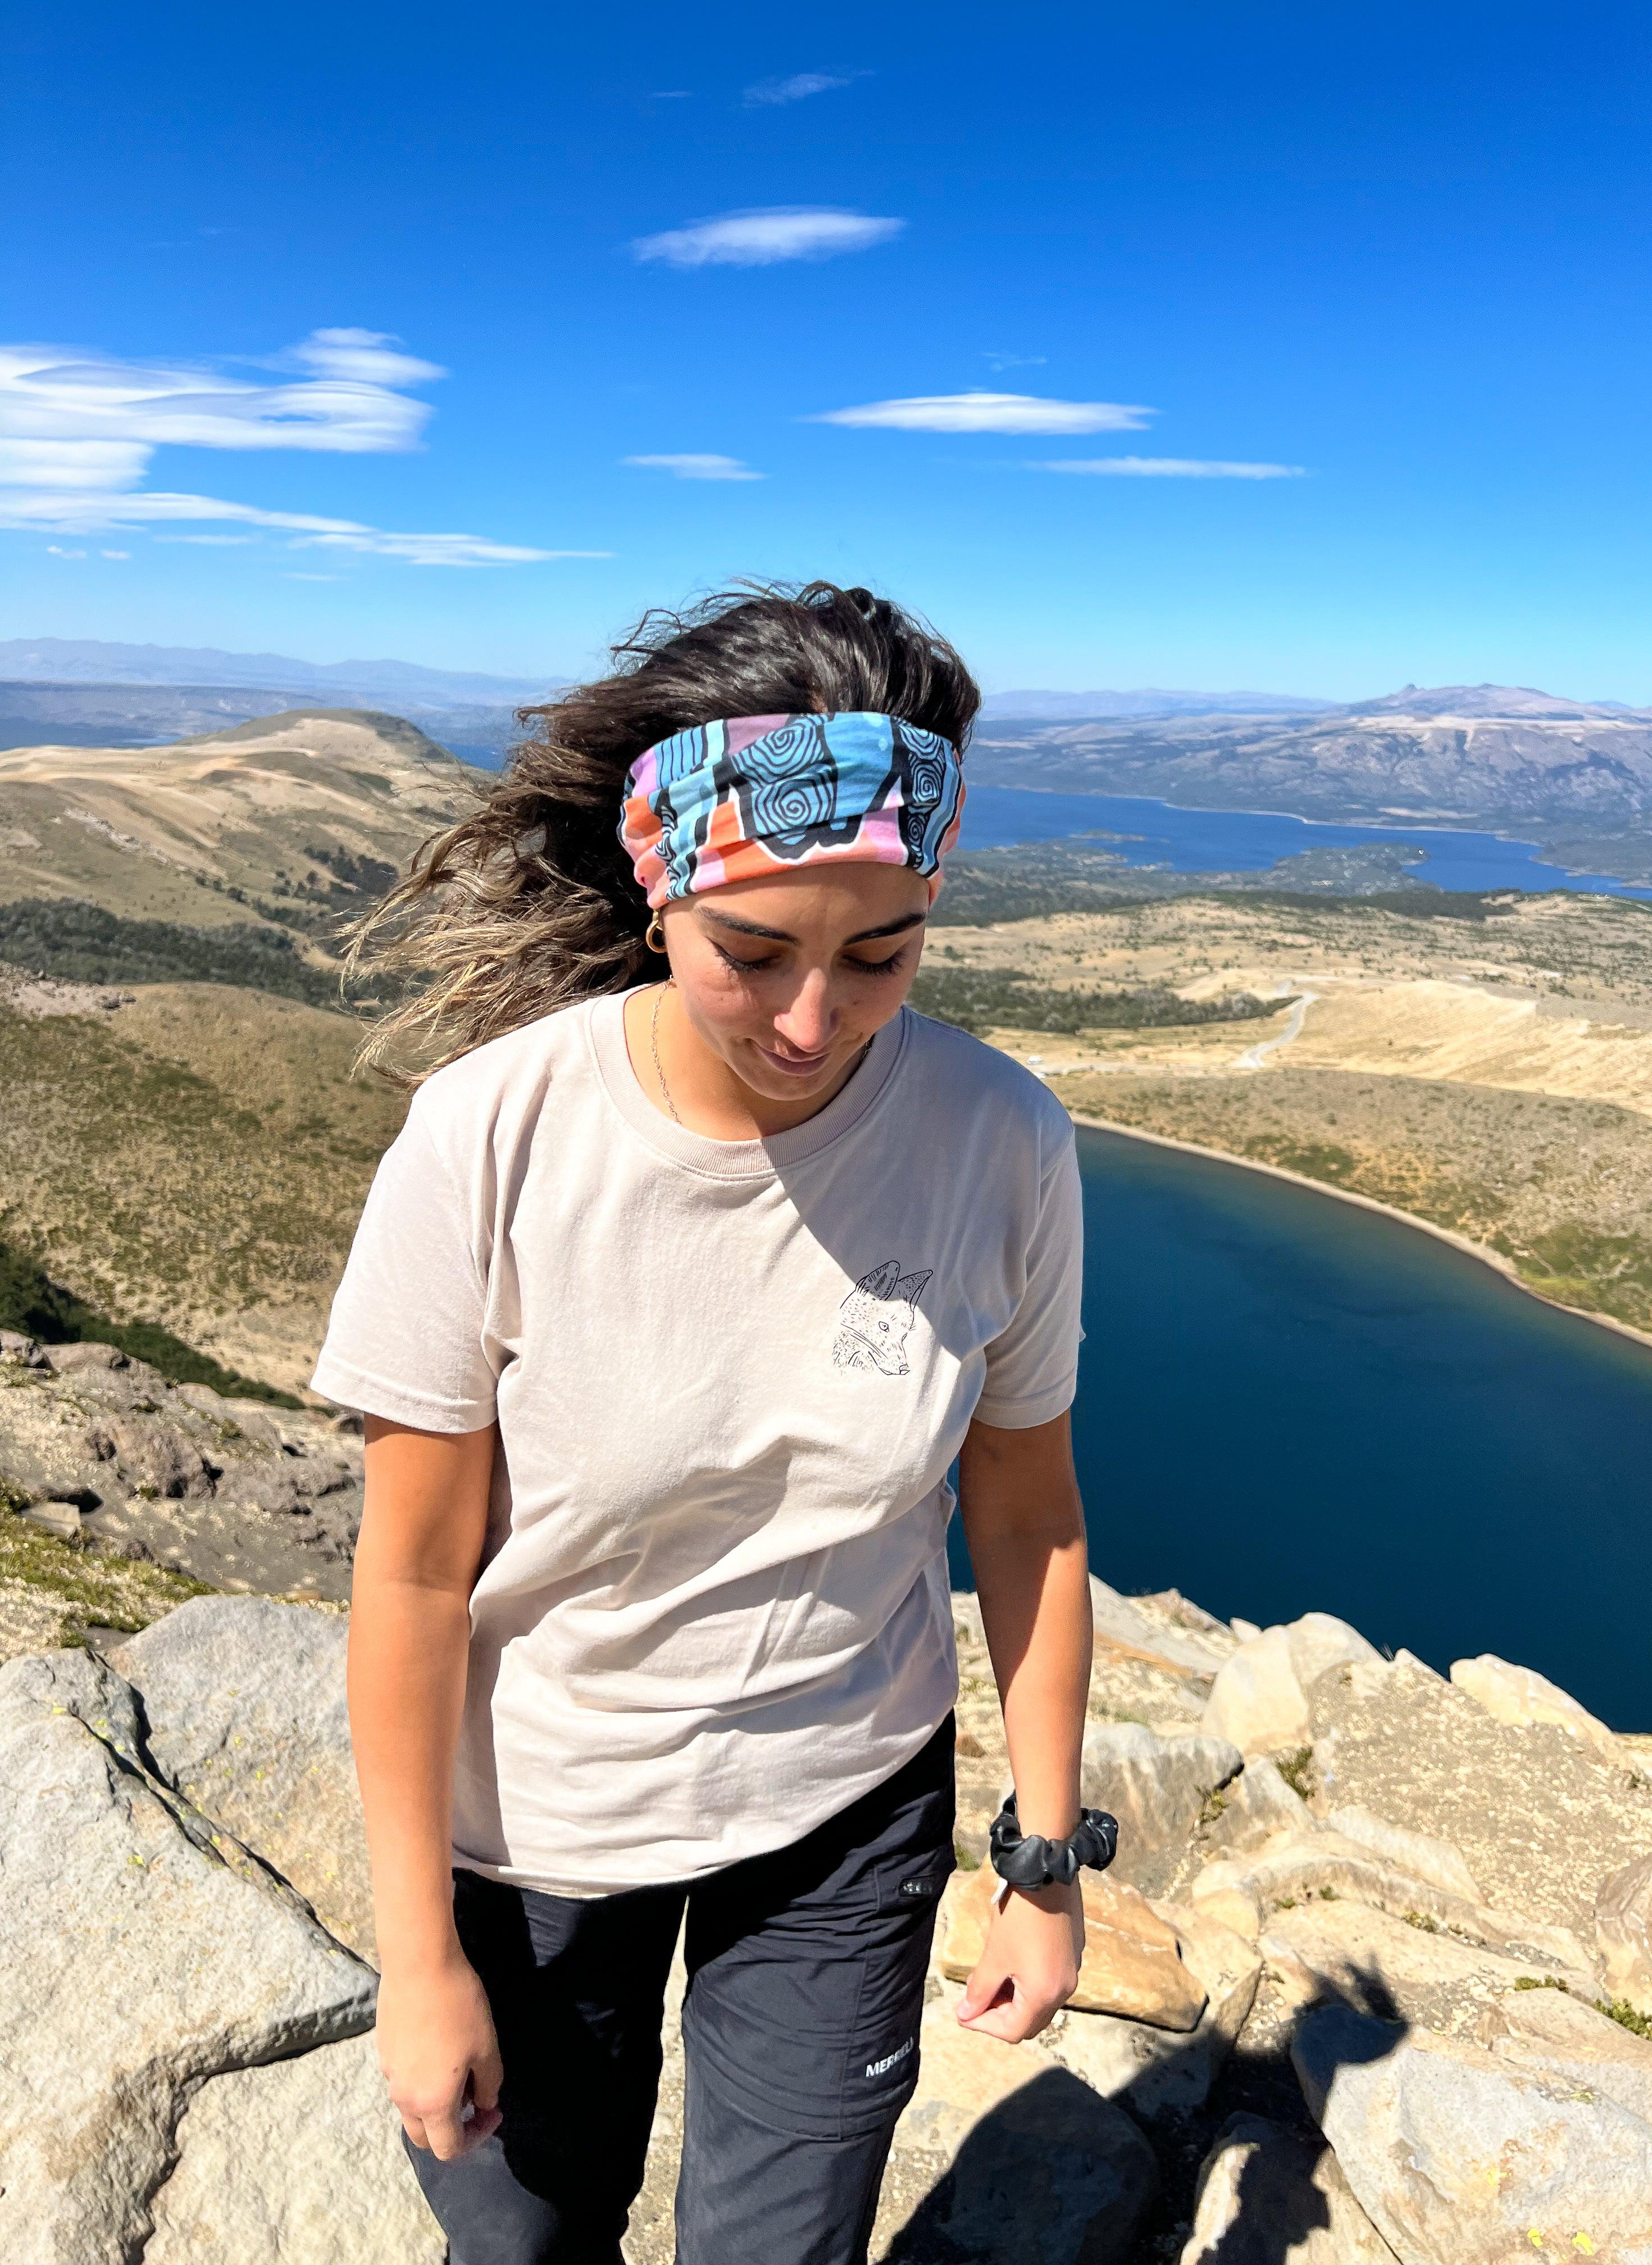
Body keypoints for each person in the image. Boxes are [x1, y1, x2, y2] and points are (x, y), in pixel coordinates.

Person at [313, 582, 1107, 2265]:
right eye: (753, 955)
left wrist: (1043, 1858)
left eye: (881, 956)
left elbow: (1027, 1510)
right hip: (537, 1830)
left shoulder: (1002, 1140)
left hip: (847, 1804)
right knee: (526, 2244)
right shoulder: (489, 1137)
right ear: (658, 887)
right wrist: (418, 1956)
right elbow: (413, 1575)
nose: (814, 1023)